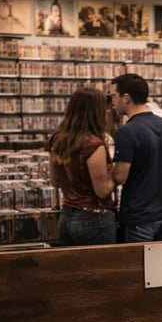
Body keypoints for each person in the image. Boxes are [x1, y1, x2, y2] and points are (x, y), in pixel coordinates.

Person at [109, 73, 162, 242]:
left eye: (114, 96)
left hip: (139, 216)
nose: (112, 102)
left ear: (126, 98)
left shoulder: (127, 131)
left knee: (137, 267)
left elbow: (119, 176)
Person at [48, 88, 117, 246]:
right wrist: (116, 176)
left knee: (73, 270)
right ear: (97, 112)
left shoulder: (57, 139)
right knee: (102, 268)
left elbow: (55, 181)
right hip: (94, 218)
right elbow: (102, 190)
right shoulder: (93, 145)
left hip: (66, 216)